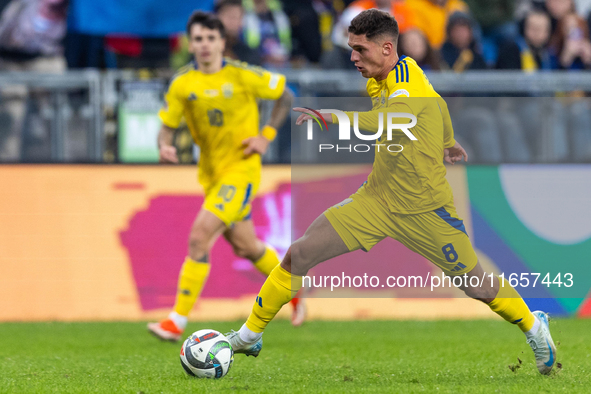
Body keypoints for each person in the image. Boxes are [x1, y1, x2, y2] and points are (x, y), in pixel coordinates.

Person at [225, 9, 557, 376]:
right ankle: (246, 336)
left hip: (426, 210)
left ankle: (533, 325)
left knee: (477, 286)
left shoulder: (405, 85)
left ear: (386, 48)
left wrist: (332, 117)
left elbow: (389, 119)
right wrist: (448, 140)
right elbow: (439, 103)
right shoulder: (388, 75)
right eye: (351, 48)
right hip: (377, 199)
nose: (352, 57)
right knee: (299, 253)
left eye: (359, 50)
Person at [147, 11, 304, 342]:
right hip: (212, 176)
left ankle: (176, 321)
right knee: (247, 247)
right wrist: (165, 147)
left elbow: (286, 95)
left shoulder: (242, 75)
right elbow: (167, 128)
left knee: (199, 236)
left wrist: (266, 136)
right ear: (191, 44)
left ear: (222, 42)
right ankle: (293, 288)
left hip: (242, 171)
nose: (204, 45)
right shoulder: (182, 85)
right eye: (198, 39)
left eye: (210, 38)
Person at [215, 0, 262, 65]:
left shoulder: (249, 54)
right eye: (229, 17)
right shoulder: (205, 48)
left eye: (236, 17)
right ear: (217, 17)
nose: (232, 22)